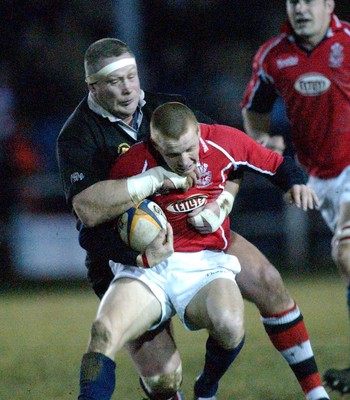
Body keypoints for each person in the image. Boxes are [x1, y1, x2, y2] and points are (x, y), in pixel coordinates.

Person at [56, 38, 330, 400]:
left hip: (200, 238)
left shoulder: (169, 109)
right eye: (114, 82)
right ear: (93, 87)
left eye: (131, 76)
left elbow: (227, 157)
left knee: (266, 282)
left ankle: (314, 393)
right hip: (127, 252)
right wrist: (141, 243)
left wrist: (222, 206)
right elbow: (89, 213)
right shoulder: (78, 135)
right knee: (162, 378)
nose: (127, 89)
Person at [240, 0, 350, 394]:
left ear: (329, 4)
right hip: (317, 177)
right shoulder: (273, 56)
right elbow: (254, 112)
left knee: (345, 253)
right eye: (294, 1)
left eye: (310, 0)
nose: (301, 7)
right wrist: (261, 140)